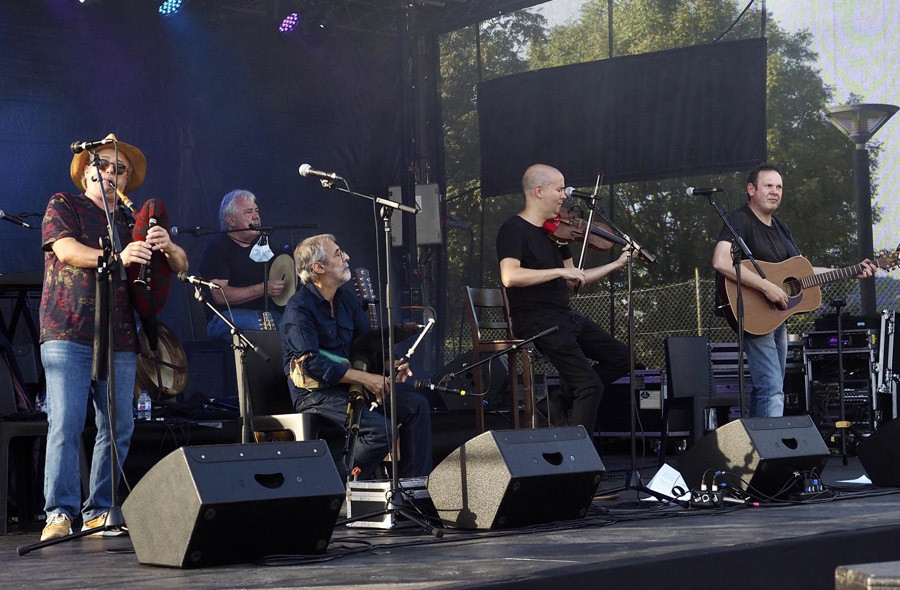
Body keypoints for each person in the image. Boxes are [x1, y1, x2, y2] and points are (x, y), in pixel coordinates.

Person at [40, 133, 188, 541]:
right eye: (103, 166)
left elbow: (179, 264)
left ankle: (99, 511)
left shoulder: (132, 221)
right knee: (67, 423)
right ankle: (59, 514)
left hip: (120, 334)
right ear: (87, 173)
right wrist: (114, 257)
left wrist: (167, 245)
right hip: (68, 328)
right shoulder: (63, 204)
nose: (111, 174)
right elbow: (67, 250)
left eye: (119, 170)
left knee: (119, 426)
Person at [711, 163, 877, 417]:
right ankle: (772, 453)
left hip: (777, 315)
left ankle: (754, 451)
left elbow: (804, 273)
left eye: (779, 187)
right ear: (751, 189)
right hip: (754, 312)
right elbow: (721, 261)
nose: (775, 191)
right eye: (768, 185)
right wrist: (767, 287)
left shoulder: (780, 227)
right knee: (773, 390)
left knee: (766, 389)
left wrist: (852, 270)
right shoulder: (740, 220)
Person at [280, 234, 432, 479]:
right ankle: (335, 487)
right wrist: (366, 379)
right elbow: (312, 364)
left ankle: (412, 490)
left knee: (417, 405)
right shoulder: (299, 308)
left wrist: (389, 364)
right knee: (380, 431)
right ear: (318, 268)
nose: (346, 257)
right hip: (316, 394)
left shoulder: (346, 299)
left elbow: (366, 343)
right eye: (338, 253)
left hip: (351, 386)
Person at [497, 164, 630, 438]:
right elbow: (509, 276)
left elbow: (575, 279)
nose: (563, 196)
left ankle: (558, 401)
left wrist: (617, 263)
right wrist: (559, 270)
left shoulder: (556, 233)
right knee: (589, 385)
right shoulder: (513, 229)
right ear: (538, 191)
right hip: (537, 321)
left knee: (623, 359)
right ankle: (580, 460)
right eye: (559, 189)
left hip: (564, 318)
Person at [199, 189, 288, 339]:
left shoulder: (264, 244)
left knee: (294, 324)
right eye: (248, 212)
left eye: (257, 211)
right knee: (265, 326)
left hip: (266, 314)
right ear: (231, 220)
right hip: (227, 318)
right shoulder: (217, 248)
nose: (256, 217)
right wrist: (263, 288)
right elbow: (220, 295)